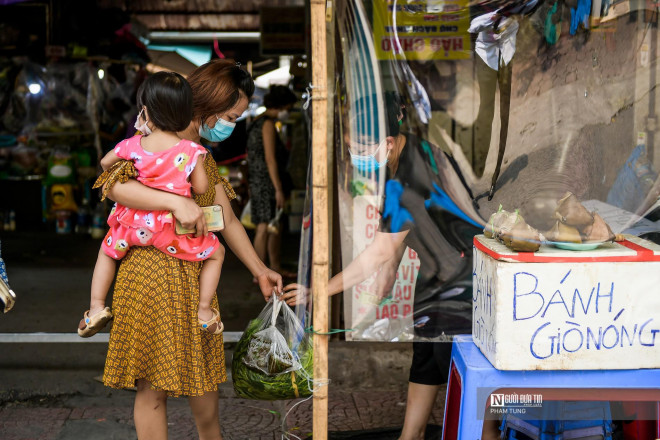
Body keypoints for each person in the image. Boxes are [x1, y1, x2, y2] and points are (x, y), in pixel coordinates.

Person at [281, 92, 495, 440]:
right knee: (424, 367)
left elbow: (379, 251)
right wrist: (389, 273)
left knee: (470, 390)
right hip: (436, 285)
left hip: (459, 292)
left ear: (389, 142)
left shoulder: (406, 176)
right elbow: (399, 236)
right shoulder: (420, 152)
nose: (356, 156)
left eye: (360, 149)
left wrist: (319, 291)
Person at [98, 59, 283, 440]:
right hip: (149, 272)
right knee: (152, 386)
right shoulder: (153, 136)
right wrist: (173, 203)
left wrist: (260, 269)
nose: (231, 124)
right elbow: (111, 184)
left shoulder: (199, 154)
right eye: (231, 115)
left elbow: (225, 220)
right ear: (209, 105)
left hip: (196, 279)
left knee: (203, 378)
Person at [78, 71, 225, 338]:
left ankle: (96, 307)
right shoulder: (193, 151)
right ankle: (204, 311)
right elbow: (202, 188)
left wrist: (139, 141)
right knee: (217, 253)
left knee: (106, 252)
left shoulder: (132, 145)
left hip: (132, 229)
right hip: (172, 231)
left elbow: (105, 165)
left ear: (145, 111)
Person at [246, 84, 298, 279]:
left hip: (258, 180)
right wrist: (277, 189)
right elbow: (270, 159)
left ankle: (270, 268)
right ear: (282, 105)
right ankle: (259, 272)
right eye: (289, 108)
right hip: (266, 182)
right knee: (264, 226)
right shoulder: (267, 124)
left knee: (270, 225)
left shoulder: (256, 122)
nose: (289, 112)